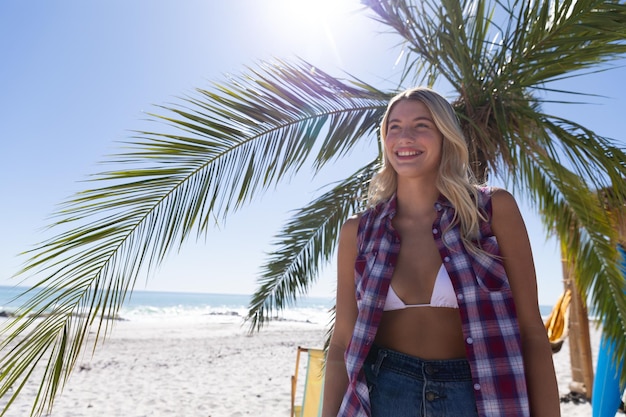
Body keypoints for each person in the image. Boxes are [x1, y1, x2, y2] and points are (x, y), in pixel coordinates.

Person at [321, 87, 560, 417]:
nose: (405, 137)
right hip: (383, 396)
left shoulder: (492, 211)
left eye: (422, 125)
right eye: (394, 127)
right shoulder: (358, 231)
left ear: (445, 134)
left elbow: (532, 331)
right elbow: (340, 345)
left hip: (479, 396)